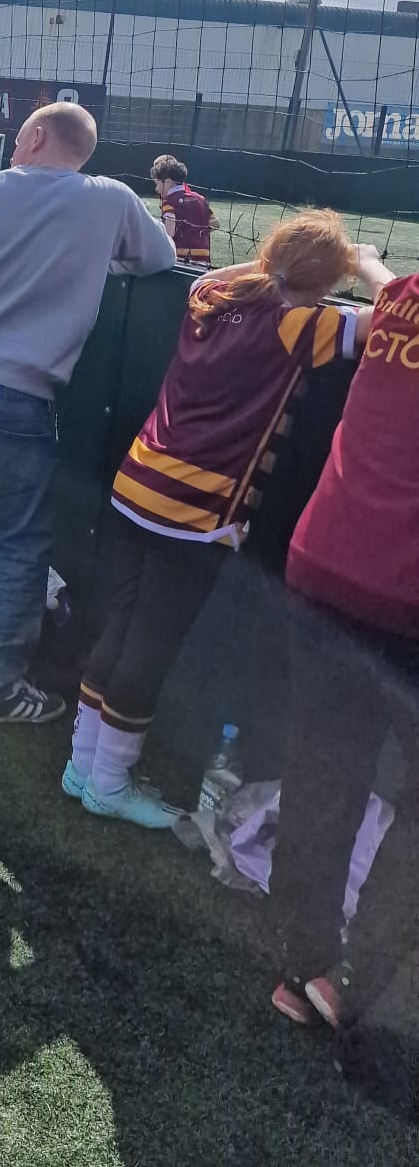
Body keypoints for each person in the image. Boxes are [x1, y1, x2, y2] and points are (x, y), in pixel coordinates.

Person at [66, 213, 377, 827]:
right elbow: (388, 319)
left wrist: (274, 265)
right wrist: (364, 264)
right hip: (195, 512)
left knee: (121, 624)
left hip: (138, 481)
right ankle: (109, 781)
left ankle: (83, 765)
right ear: (325, 282)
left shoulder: (211, 296)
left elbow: (223, 278)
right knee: (150, 644)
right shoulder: (299, 324)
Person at [0, 102, 176, 721]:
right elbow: (161, 259)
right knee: (21, 545)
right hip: (25, 398)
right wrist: (94, 258)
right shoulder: (109, 198)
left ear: (34, 135)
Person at [268, 247, 415, 1066]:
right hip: (403, 596)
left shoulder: (402, 302)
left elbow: (386, 283)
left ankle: (301, 967)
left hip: (325, 564)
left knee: (322, 772)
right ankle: (353, 982)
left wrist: (362, 261)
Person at [151, 153, 218, 266]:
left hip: (180, 259)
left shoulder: (169, 202)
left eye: (157, 183)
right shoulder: (200, 199)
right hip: (203, 259)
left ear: (167, 182)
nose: (156, 189)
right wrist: (195, 233)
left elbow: (169, 232)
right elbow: (215, 224)